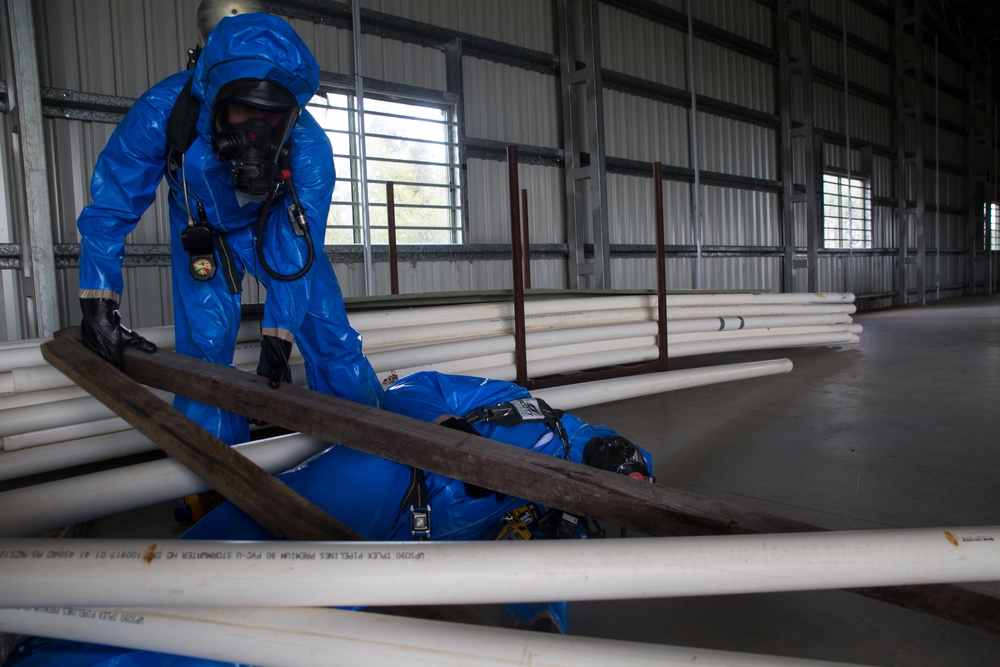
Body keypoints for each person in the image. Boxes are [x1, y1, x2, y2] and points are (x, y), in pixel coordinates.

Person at [75, 7, 383, 445]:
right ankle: (214, 474)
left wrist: (278, 337)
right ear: (215, 96)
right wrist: (98, 299)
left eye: (271, 117)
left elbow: (297, 245)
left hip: (273, 224)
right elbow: (112, 204)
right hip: (201, 229)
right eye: (242, 111)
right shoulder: (164, 114)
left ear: (290, 113)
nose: (257, 130)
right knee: (205, 347)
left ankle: (373, 449)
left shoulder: (309, 149)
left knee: (326, 327)